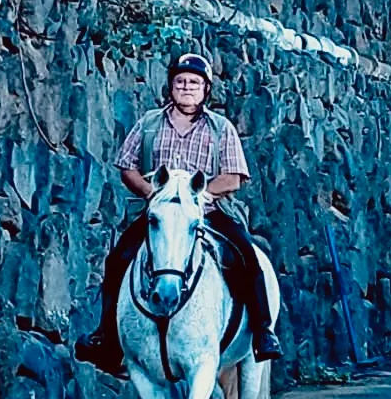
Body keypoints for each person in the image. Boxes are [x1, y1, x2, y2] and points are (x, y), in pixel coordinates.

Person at [75, 50, 283, 376]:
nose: (187, 87)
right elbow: (126, 166)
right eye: (181, 81)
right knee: (117, 259)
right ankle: (108, 337)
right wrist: (150, 193)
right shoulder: (149, 124)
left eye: (194, 83)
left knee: (246, 256)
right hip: (160, 212)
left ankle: (262, 331)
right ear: (171, 86)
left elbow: (234, 176)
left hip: (206, 212)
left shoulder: (220, 128)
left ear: (206, 89)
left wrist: (200, 197)